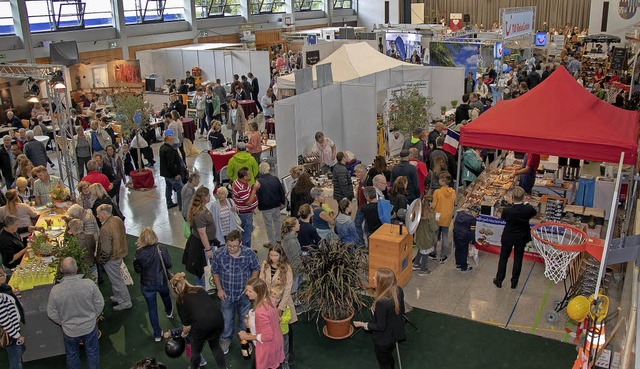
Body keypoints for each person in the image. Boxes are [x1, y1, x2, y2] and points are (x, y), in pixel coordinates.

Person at [47, 257, 104, 369]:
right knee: (93, 353)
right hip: (89, 327)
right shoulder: (89, 284)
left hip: (70, 331)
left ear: (61, 270)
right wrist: (94, 317)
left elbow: (51, 313)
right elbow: (100, 303)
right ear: (76, 268)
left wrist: (63, 322)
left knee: (72, 355)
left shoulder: (56, 290)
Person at [211, 230, 260, 355]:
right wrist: (219, 289)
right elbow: (215, 271)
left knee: (244, 320)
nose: (231, 248)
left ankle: (244, 339)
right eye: (229, 246)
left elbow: (256, 268)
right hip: (226, 295)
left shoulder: (248, 253)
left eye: (234, 246)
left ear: (241, 243)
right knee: (226, 320)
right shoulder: (219, 254)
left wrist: (250, 286)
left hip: (244, 295)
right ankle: (226, 339)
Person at [170, 273, 227, 369]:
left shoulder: (181, 300)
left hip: (202, 327)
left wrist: (183, 334)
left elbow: (187, 326)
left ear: (176, 289)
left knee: (195, 351)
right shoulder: (200, 289)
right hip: (217, 321)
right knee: (215, 346)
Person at [353, 268, 406, 369]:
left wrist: (363, 324)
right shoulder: (398, 289)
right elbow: (401, 311)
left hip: (384, 340)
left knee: (384, 361)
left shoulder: (381, 303)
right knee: (388, 356)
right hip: (395, 332)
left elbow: (380, 326)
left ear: (382, 283)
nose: (373, 278)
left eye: (376, 278)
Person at [133, 227, 173, 342]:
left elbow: (137, 269)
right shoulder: (161, 249)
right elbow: (169, 264)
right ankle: (169, 311)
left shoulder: (139, 252)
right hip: (161, 281)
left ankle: (157, 334)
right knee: (166, 297)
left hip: (146, 284)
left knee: (152, 308)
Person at [493, 186, 537, 289]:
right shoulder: (528, 209)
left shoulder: (507, 211)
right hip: (521, 237)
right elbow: (534, 213)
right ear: (523, 197)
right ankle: (514, 282)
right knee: (518, 259)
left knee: (503, 258)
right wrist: (526, 203)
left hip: (508, 236)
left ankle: (499, 280)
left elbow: (503, 218)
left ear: (512, 197)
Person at [237, 277, 285, 369]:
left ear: (258, 293)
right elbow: (275, 319)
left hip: (267, 347)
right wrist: (251, 321)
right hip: (276, 342)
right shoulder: (270, 300)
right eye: (246, 290)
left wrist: (247, 337)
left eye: (250, 291)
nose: (246, 293)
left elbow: (267, 336)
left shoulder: (261, 311)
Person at [96, 203, 132, 310]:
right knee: (115, 279)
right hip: (120, 253)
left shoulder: (105, 228)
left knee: (117, 281)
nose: (97, 216)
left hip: (112, 258)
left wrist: (102, 260)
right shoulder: (117, 219)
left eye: (98, 214)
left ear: (103, 214)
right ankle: (118, 297)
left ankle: (126, 302)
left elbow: (106, 250)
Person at [183, 187, 217, 286]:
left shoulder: (201, 208)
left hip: (204, 243)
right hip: (201, 246)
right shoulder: (200, 214)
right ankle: (202, 287)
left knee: (205, 267)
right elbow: (202, 233)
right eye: (208, 195)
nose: (210, 196)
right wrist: (208, 249)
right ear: (204, 198)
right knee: (201, 268)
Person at [0, 268, 25, 369]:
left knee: (21, 349)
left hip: (13, 331)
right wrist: (17, 336)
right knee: (15, 361)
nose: (6, 275)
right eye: (1, 275)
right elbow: (4, 320)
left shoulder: (4, 289)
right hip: (10, 334)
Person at [256, 162, 286, 245]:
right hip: (276, 204)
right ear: (268, 169)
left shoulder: (259, 182)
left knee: (268, 225)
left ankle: (271, 242)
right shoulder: (275, 179)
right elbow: (281, 191)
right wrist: (282, 202)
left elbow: (257, 195)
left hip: (266, 207)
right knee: (277, 222)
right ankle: (278, 238)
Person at [429, 173, 455, 264]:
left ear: (443, 182)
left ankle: (433, 252)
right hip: (447, 216)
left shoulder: (437, 192)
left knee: (435, 234)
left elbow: (434, 205)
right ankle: (443, 256)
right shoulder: (453, 192)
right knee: (445, 235)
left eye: (440, 180)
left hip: (438, 215)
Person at [232, 167, 261, 248]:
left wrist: (251, 188)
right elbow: (248, 202)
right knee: (246, 236)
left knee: (246, 234)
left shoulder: (239, 182)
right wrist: (254, 189)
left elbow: (246, 195)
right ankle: (246, 252)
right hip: (245, 215)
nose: (250, 175)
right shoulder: (241, 188)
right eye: (249, 174)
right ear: (244, 177)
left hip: (245, 213)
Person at [412, 197, 438, 276]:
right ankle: (423, 269)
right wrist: (437, 222)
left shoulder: (418, 214)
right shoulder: (431, 215)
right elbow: (434, 228)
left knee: (420, 250)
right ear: (430, 203)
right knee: (425, 254)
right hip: (427, 238)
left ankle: (416, 264)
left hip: (419, 237)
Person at [160, 134, 184, 210]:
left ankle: (169, 202)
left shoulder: (162, 147)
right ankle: (181, 205)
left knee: (168, 187)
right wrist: (176, 174)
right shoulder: (169, 150)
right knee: (180, 188)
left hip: (165, 173)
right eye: (172, 140)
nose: (173, 141)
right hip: (171, 174)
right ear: (168, 141)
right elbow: (171, 164)